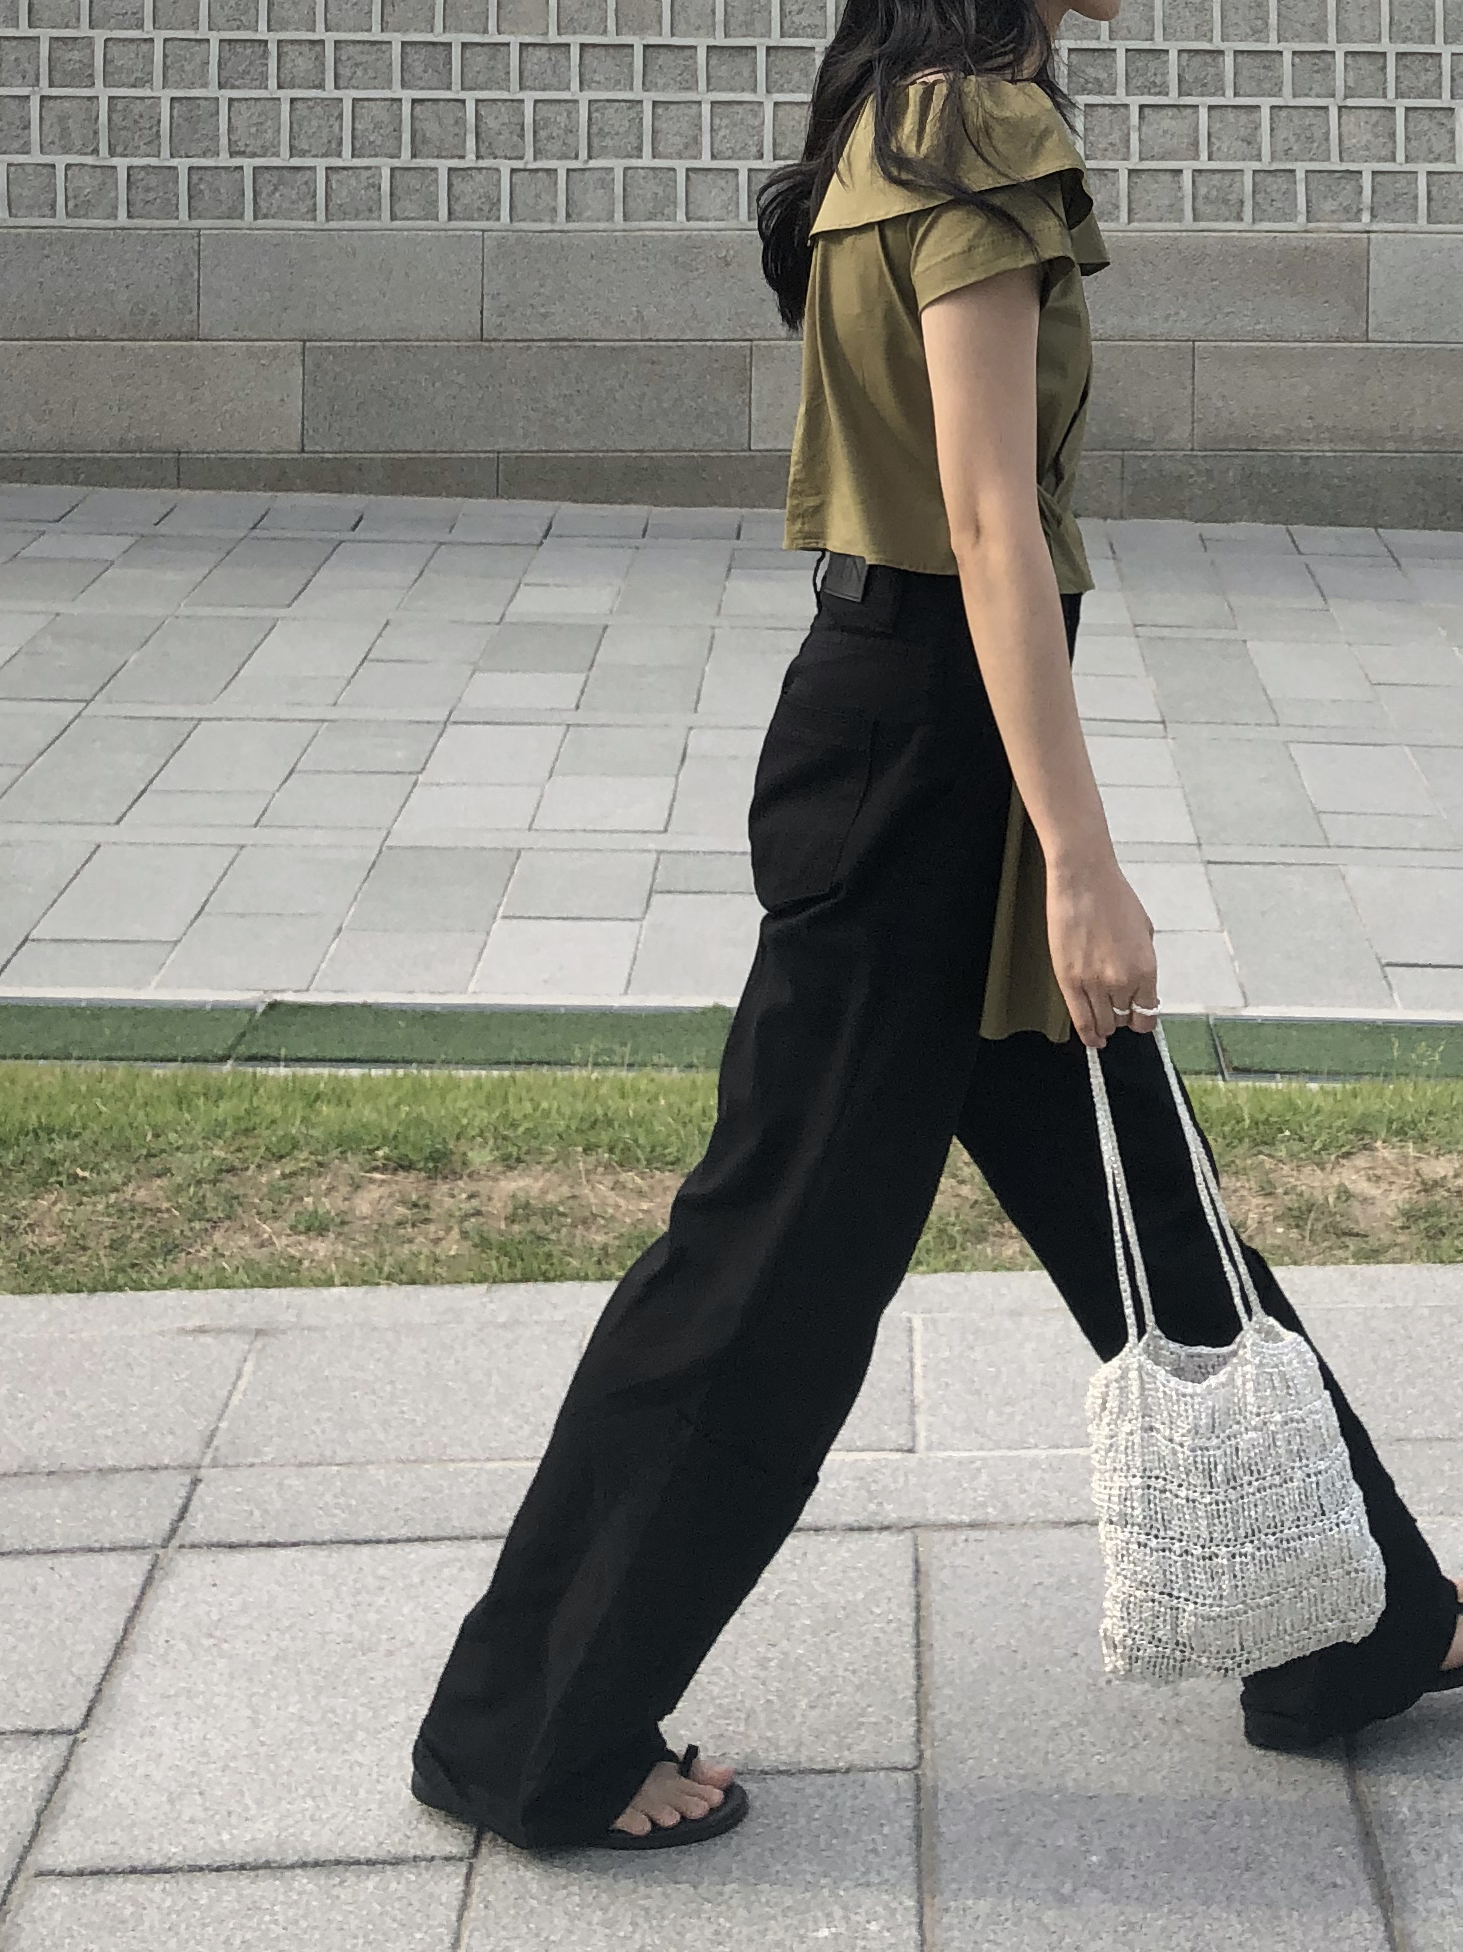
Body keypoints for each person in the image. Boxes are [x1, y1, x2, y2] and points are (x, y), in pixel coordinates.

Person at [410, 0, 1463, 1852]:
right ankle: (530, 1738)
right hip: (925, 767)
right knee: (768, 1269)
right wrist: (1083, 860)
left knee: (1141, 1187)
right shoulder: (973, 130)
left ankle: (1361, 1619)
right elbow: (986, 520)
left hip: (916, 734)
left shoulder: (895, 121)